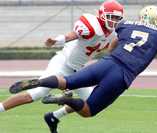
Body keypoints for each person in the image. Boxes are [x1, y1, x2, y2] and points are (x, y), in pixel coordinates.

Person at [9, 4, 157, 130]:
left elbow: (113, 45)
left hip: (105, 63)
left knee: (66, 83)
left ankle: (50, 103)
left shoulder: (127, 26)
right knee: (88, 109)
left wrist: (111, 55)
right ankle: (63, 98)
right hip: (120, 74)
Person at [0, 0, 124, 133]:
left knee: (91, 103)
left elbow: (109, 47)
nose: (114, 21)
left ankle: (53, 116)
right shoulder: (92, 24)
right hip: (63, 63)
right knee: (36, 94)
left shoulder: (112, 33)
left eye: (117, 18)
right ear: (102, 14)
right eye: (111, 17)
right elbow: (73, 35)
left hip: (78, 69)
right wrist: (58, 40)